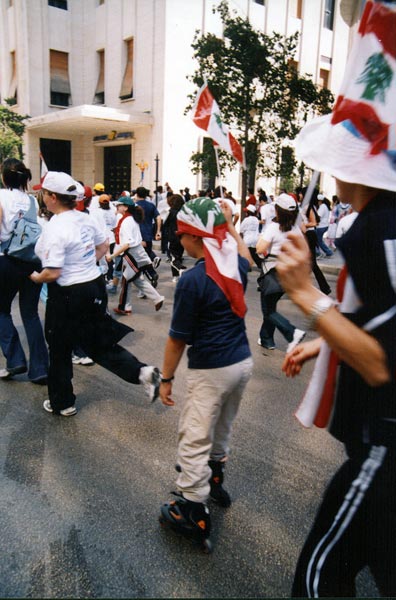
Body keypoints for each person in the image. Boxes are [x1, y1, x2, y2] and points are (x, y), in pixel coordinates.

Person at [278, 2, 396, 595]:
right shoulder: (378, 223)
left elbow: (381, 359)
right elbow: (375, 318)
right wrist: (317, 340)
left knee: (319, 579)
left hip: (385, 446)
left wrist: (304, 295)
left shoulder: (382, 230)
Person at [158, 197, 253, 551]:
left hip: (212, 368)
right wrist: (227, 225)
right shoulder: (235, 265)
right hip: (242, 364)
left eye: (182, 234)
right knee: (221, 428)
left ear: (196, 238)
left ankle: (193, 510)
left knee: (194, 437)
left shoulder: (194, 280)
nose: (179, 239)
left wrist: (166, 379)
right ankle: (215, 482)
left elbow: (177, 340)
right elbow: (247, 256)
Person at [30, 171, 161, 417]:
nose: (42, 197)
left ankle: (62, 402)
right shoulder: (85, 218)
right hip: (92, 284)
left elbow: (53, 272)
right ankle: (143, 373)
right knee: (97, 342)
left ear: (53, 198)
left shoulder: (55, 227)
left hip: (67, 292)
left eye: (44, 193)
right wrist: (88, 263)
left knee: (58, 346)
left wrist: (36, 277)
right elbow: (103, 245)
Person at [0, 158, 48, 384]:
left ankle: (15, 359)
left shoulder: (1, 196)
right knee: (30, 313)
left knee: (1, 310)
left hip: (6, 261)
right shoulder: (32, 202)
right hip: (30, 261)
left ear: (3, 177)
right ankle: (40, 369)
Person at [256, 193, 305, 352]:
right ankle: (266, 339)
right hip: (289, 272)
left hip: (272, 271)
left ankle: (292, 332)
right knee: (271, 307)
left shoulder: (273, 227)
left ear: (278, 211)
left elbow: (260, 249)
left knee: (268, 310)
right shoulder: (296, 228)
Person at [107, 195, 164, 315]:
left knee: (127, 280)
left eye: (119, 205)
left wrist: (112, 256)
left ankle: (125, 307)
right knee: (134, 280)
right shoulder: (130, 219)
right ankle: (155, 299)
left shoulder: (127, 221)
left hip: (131, 254)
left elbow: (127, 243)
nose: (117, 207)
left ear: (125, 208)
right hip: (136, 252)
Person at [303, 189, 332, 295]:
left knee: (312, 263)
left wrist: (302, 225)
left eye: (302, 193)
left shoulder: (309, 207)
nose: (300, 195)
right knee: (310, 262)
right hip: (309, 235)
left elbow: (314, 223)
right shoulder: (311, 206)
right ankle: (323, 287)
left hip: (310, 234)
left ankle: (324, 287)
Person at [135, 186, 162, 269]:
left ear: (137, 194)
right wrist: (158, 231)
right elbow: (158, 217)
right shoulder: (151, 205)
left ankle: (152, 262)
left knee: (140, 255)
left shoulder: (135, 206)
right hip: (148, 232)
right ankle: (153, 260)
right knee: (147, 251)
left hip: (138, 233)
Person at [163, 194, 187, 283]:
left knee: (173, 258)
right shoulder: (183, 212)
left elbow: (165, 224)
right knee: (179, 256)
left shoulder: (171, 212)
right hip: (182, 237)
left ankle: (179, 271)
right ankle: (177, 275)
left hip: (172, 237)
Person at [240, 204, 261, 269]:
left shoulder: (246, 220)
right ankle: (260, 265)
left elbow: (241, 230)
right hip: (255, 239)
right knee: (254, 253)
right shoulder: (256, 220)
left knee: (245, 253)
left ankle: (247, 266)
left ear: (248, 212)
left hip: (247, 239)